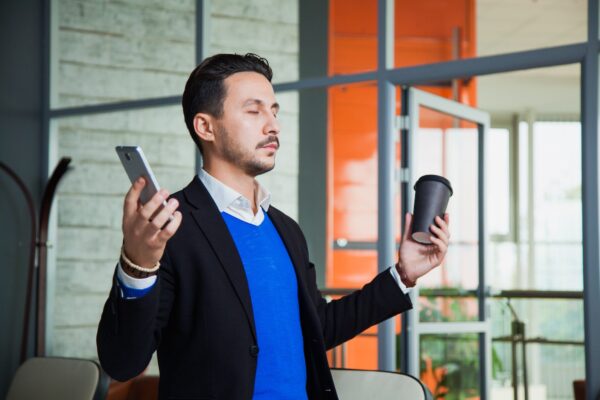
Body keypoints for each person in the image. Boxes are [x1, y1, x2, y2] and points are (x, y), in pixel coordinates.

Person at [97, 53, 451, 400]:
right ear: (205, 126)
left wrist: (402, 275)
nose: (273, 125)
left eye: (274, 111)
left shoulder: (286, 230)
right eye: (254, 111)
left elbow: (319, 327)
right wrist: (138, 264)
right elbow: (123, 362)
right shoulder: (171, 229)